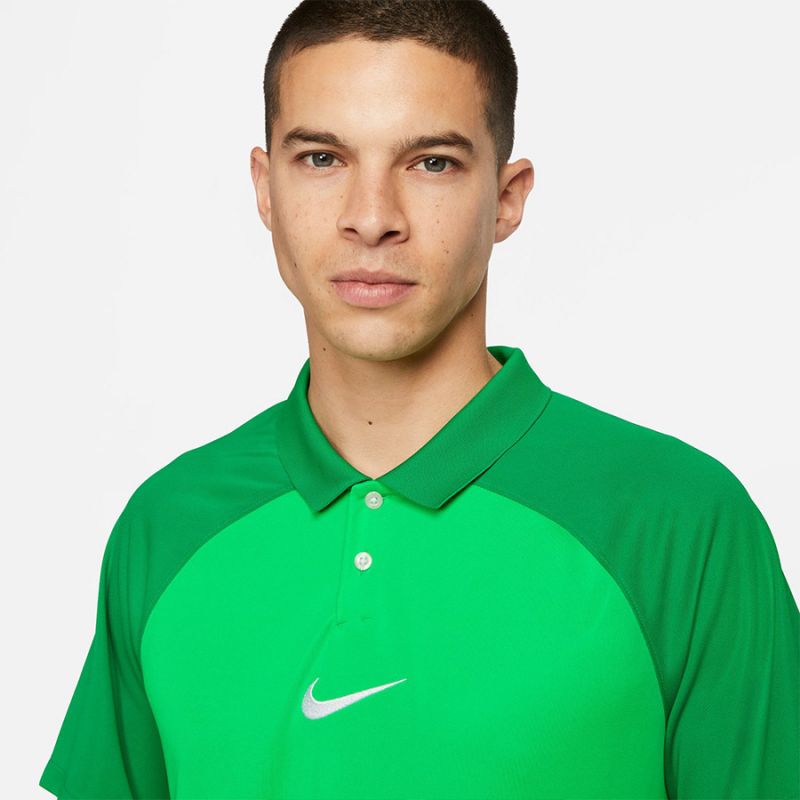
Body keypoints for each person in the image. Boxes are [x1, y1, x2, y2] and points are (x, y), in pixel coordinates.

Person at [39, 1, 799, 798]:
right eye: (323, 158)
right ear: (265, 189)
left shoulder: (682, 524)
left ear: (507, 197)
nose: (372, 219)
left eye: (431, 163)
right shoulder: (167, 529)